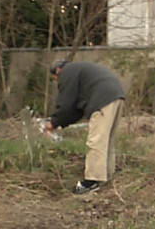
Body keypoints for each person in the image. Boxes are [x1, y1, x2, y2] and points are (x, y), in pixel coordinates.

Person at [46, 60, 125, 194]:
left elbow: (66, 103)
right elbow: (76, 110)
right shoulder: (79, 71)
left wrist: (53, 122)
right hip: (117, 96)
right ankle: (106, 175)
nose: (58, 82)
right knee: (106, 140)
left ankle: (91, 182)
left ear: (58, 71)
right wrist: (60, 123)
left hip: (102, 100)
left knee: (96, 141)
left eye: (56, 79)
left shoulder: (67, 72)